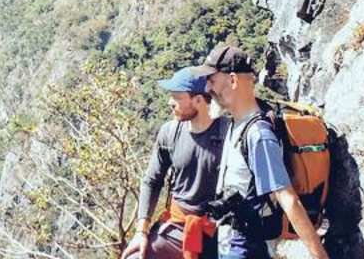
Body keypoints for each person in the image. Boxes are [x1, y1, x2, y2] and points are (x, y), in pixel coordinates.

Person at [195, 45, 328, 259]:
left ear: (233, 81)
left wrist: (319, 256)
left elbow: (288, 198)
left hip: (246, 247)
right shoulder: (236, 123)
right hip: (231, 242)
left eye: (211, 80)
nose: (207, 87)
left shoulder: (258, 135)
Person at [121, 67, 228, 259]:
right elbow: (152, 181)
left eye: (177, 97)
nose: (170, 102)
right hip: (176, 227)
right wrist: (141, 231)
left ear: (198, 100)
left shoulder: (228, 134)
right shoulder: (170, 133)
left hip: (218, 228)